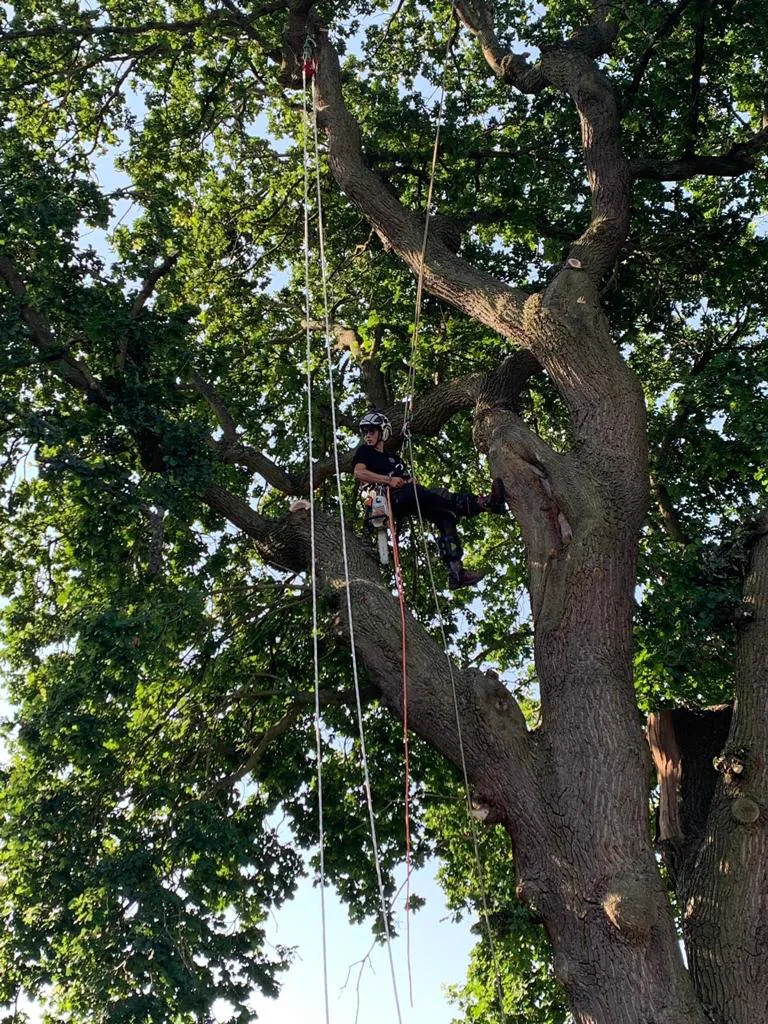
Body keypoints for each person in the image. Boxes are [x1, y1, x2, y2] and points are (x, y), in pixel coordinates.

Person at [351, 409, 507, 589]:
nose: (368, 435)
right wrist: (389, 480)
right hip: (387, 499)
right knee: (435, 496)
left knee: (446, 515)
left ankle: (456, 573)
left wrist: (407, 480)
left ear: (382, 432)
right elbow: (359, 472)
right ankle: (485, 504)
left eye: (371, 431)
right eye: (365, 432)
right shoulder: (365, 451)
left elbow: (408, 480)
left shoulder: (394, 459)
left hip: (408, 495)